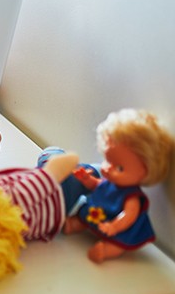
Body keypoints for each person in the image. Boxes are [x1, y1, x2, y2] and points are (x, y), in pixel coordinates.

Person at [64, 109, 175, 263]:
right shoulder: (110, 182)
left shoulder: (132, 197)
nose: (108, 169)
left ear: (146, 171)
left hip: (117, 226)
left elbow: (129, 216)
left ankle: (105, 251)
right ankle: (76, 224)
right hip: (99, 214)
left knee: (119, 243)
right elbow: (97, 185)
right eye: (108, 160)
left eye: (120, 168)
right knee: (83, 214)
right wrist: (86, 179)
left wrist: (114, 227)